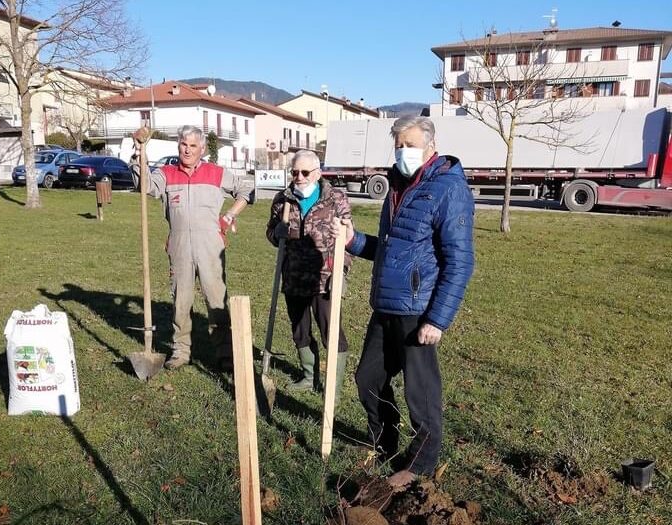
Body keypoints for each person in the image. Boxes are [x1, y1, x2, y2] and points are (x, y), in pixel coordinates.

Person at [337, 115, 475, 488]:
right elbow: (392, 249)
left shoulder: (448, 188)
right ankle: (386, 445)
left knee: (421, 393)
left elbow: (460, 261)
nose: (403, 151)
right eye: (398, 144)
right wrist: (354, 241)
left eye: (410, 144)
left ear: (430, 145)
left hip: (419, 310)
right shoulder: (398, 185)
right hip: (386, 305)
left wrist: (437, 320)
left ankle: (420, 465)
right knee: (368, 378)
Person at [133, 125, 254, 371]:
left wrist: (229, 216)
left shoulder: (216, 173)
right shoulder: (166, 173)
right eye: (183, 145)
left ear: (202, 149)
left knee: (216, 300)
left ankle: (225, 354)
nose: (187, 150)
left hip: (211, 244)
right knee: (181, 300)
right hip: (179, 244)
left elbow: (247, 191)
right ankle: (180, 351)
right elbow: (143, 184)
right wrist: (138, 154)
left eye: (192, 146)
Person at [266, 150, 352, 401]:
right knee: (299, 329)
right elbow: (270, 233)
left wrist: (342, 271)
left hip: (325, 277)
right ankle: (308, 376)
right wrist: (276, 233)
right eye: (294, 172)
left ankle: (333, 386)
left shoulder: (335, 198)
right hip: (293, 276)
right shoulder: (283, 199)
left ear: (317, 173)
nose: (299, 177)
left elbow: (349, 238)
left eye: (305, 172)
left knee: (330, 330)